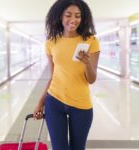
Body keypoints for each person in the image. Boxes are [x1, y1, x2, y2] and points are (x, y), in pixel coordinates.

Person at [33, 0, 100, 150]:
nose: (73, 19)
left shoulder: (91, 41)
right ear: (60, 17)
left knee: (78, 148)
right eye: (68, 15)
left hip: (81, 104)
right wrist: (40, 103)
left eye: (78, 16)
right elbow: (52, 76)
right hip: (54, 102)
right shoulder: (51, 43)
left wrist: (87, 63)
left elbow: (92, 79)